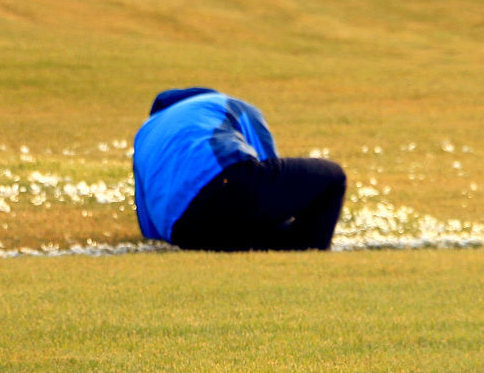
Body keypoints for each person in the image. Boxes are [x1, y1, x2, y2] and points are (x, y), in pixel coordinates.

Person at [132, 88, 346, 251]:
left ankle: (286, 247)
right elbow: (267, 163)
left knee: (265, 234)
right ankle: (311, 253)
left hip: (185, 231)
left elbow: (147, 224)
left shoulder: (143, 134)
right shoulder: (221, 102)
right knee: (333, 178)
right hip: (229, 184)